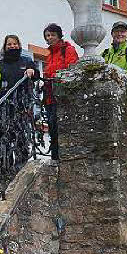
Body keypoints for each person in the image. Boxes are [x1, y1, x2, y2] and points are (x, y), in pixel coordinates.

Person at [43, 23, 79, 160]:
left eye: (52, 35)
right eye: (47, 35)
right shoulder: (49, 55)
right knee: (52, 126)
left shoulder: (68, 50)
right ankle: (55, 156)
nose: (49, 38)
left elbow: (72, 69)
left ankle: (61, 156)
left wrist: (57, 78)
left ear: (58, 35)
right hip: (50, 95)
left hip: (63, 95)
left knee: (59, 125)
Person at [0, 35, 40, 100]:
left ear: (19, 45)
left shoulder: (27, 61)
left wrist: (32, 71)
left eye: (15, 44)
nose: (12, 46)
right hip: (5, 101)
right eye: (9, 44)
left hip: (24, 100)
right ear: (5, 47)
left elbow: (37, 76)